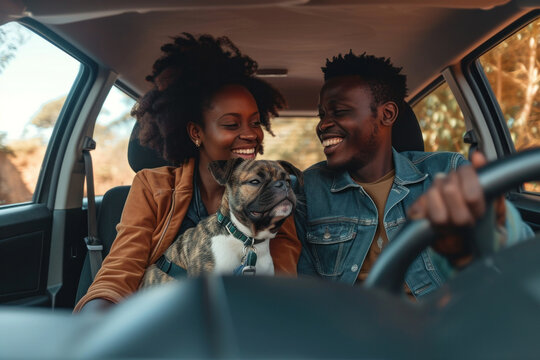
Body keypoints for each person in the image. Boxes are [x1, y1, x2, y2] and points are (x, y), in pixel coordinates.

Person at [74, 33, 301, 312]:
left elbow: (282, 276)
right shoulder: (153, 186)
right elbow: (122, 268)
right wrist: (94, 316)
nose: (251, 134)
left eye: (255, 122)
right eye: (231, 124)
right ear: (196, 132)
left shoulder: (272, 191)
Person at [296, 51, 533, 297]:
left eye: (339, 111)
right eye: (322, 114)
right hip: (348, 328)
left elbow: (520, 260)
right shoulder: (309, 189)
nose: (322, 125)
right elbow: (306, 291)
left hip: (439, 326)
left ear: (387, 114)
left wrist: (498, 224)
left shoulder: (446, 172)